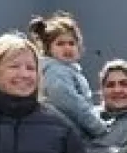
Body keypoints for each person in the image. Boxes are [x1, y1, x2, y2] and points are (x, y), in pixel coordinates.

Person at [29, 11, 108, 140]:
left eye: (71, 43)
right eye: (60, 44)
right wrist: (98, 127)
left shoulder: (70, 71)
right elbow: (71, 104)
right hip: (64, 135)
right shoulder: (56, 71)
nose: (67, 48)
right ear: (48, 48)